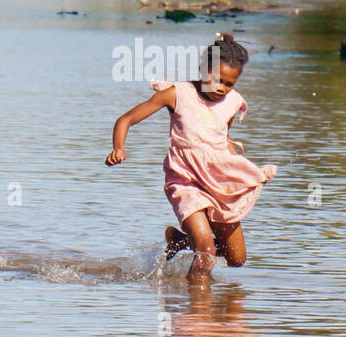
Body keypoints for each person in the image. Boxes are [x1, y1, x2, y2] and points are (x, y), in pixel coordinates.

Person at [105, 33, 276, 280]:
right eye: (216, 79)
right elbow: (126, 119)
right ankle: (197, 309)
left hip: (218, 182)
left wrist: (239, 164)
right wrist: (119, 148)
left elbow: (221, 138)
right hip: (185, 180)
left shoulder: (232, 102)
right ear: (202, 68)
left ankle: (181, 241)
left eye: (229, 84)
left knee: (236, 258)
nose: (221, 88)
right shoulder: (178, 94)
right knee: (206, 250)